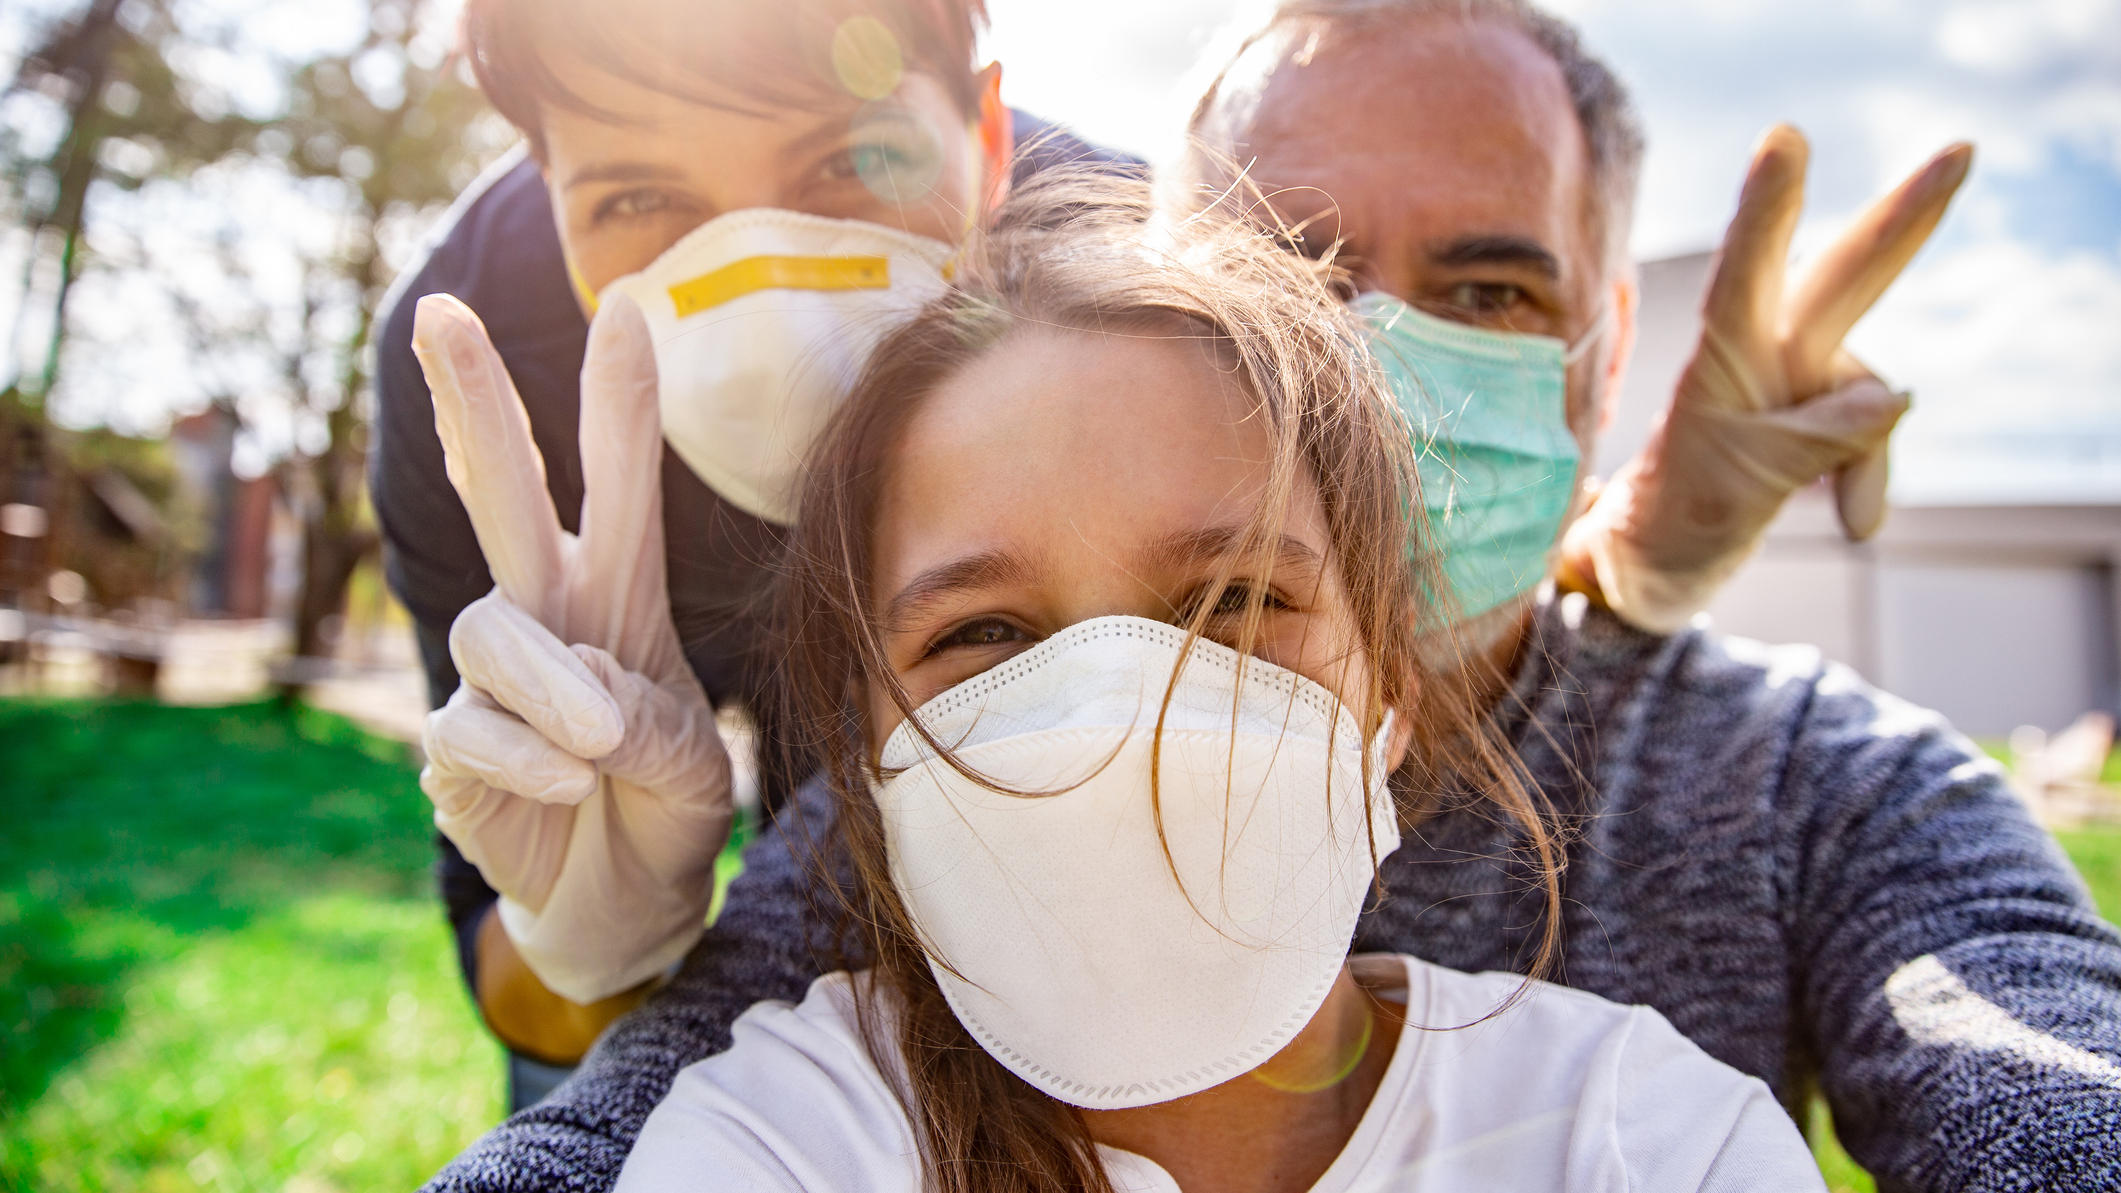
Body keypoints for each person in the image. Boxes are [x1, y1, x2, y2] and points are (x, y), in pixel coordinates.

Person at [412, 3, 2121, 1191]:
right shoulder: (957, 788)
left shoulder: (1822, 787)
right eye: (1293, 262)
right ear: (1170, 293)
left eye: (1490, 285)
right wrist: (601, 941)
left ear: (1601, 364)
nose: (1366, 362)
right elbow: (628, 1119)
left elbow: (2040, 1068)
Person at [432, 172, 1820, 1192]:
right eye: (980, 633)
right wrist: (587, 947)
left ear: (1387, 694)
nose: (1114, 713)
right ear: (864, 755)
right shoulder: (789, 1136)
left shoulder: (1643, 1138)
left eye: (1231, 604)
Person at [369, 0, 1138, 1106]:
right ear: (547, 187)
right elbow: (515, 989)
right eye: (639, 197)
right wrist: (588, 939)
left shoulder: (1141, 272)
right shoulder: (472, 367)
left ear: (987, 138)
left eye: (850, 157)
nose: (761, 273)